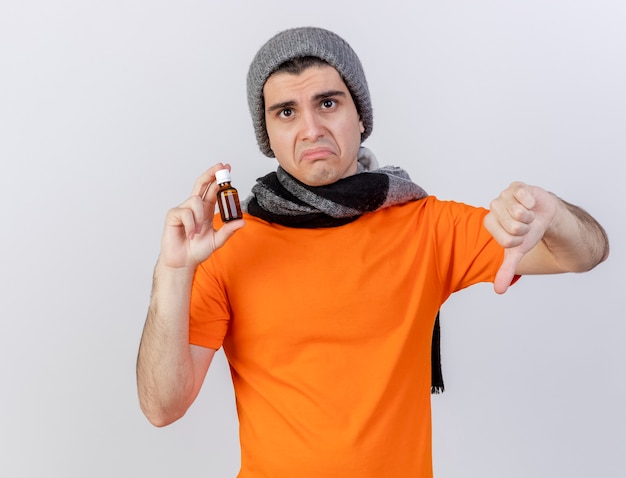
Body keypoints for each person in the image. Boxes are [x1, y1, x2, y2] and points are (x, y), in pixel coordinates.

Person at [136, 27, 609, 477]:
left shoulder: (426, 226)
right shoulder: (227, 240)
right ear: (267, 134)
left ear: (360, 115)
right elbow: (162, 407)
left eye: (327, 102)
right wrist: (172, 273)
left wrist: (554, 213)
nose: (311, 129)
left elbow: (584, 253)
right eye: (286, 112)